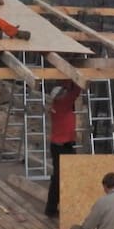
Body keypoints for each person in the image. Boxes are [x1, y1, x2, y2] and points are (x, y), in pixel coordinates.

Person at [44, 80, 82, 217]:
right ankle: (51, 209)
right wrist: (75, 78)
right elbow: (76, 91)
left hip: (62, 146)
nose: (66, 93)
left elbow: (70, 93)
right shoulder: (62, 104)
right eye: (64, 92)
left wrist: (68, 80)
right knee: (59, 179)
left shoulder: (58, 104)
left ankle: (56, 207)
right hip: (61, 147)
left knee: (63, 178)